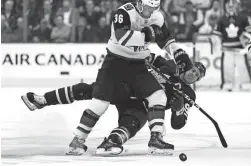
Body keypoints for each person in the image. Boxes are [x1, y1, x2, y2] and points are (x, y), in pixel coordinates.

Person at [65, 0, 195, 155]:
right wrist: (147, 34)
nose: (149, 12)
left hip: (139, 63)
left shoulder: (157, 17)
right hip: (115, 61)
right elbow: (122, 37)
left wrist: (178, 53)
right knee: (100, 102)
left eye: (154, 8)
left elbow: (166, 40)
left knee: (158, 96)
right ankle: (78, 140)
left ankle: (156, 139)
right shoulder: (124, 12)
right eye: (147, 7)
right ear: (140, 4)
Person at [21, 54, 206, 155]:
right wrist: (146, 59)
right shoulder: (168, 66)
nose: (193, 74)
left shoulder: (189, 94)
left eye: (197, 75)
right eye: (194, 69)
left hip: (141, 108)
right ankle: (42, 100)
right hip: (129, 89)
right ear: (187, 66)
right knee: (90, 89)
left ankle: (111, 142)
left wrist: (179, 108)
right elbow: (144, 56)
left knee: (129, 126)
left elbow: (178, 123)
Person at [213, 0, 251, 91]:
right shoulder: (221, 19)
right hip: (227, 50)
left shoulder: (243, 18)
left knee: (243, 67)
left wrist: (246, 42)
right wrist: (217, 46)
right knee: (227, 67)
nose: (231, 6)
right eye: (228, 4)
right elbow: (217, 35)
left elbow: (249, 33)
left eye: (233, 4)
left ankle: (246, 84)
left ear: (237, 5)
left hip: (240, 50)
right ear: (225, 6)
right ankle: (227, 84)